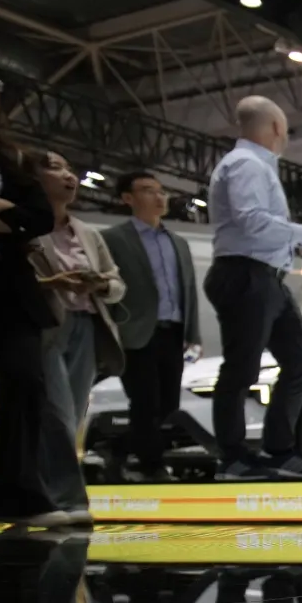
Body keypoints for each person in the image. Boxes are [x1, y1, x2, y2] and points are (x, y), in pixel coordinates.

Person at [204, 96, 302, 480]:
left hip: (264, 277)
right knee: (241, 369)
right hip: (246, 276)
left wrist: (297, 245)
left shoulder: (252, 165)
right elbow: (250, 221)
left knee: (298, 362)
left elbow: (254, 226)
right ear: (277, 127)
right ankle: (232, 459)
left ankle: (279, 451)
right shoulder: (246, 164)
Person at [0, 70, 70, 525]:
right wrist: (4, 213)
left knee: (25, 381)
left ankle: (16, 496)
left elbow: (37, 216)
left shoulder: (10, 156)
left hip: (5, 283)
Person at [29, 150, 125, 521]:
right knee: (58, 414)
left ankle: (50, 493)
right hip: (46, 327)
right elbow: (12, 281)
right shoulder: (24, 228)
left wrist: (100, 285)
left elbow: (117, 284)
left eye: (71, 168)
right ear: (34, 178)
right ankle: (69, 499)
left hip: (87, 327)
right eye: (56, 168)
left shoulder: (87, 232)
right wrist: (53, 283)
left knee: (73, 416)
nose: (69, 175)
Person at [103, 171, 200, 481]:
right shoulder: (113, 239)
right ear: (127, 198)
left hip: (173, 331)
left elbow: (188, 289)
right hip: (135, 333)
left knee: (169, 404)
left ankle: (118, 446)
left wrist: (193, 333)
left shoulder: (179, 243)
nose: (159, 197)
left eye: (161, 191)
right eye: (148, 191)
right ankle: (151, 466)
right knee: (145, 401)